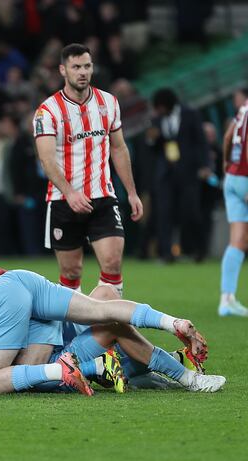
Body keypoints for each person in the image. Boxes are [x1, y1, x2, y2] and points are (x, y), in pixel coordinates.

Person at [0, 282, 223, 395]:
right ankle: (179, 371)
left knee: (107, 296)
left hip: (39, 335)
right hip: (41, 333)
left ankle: (164, 367)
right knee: (110, 321)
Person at [33, 43, 143, 297]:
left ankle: (109, 330)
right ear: (63, 70)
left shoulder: (109, 102)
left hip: (102, 196)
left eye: (87, 66)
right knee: (72, 273)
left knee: (113, 264)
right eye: (76, 67)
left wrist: (132, 192)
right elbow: (47, 160)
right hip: (63, 201)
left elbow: (119, 148)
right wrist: (71, 193)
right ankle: (76, 331)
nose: (82, 72)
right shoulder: (47, 111)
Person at [146, 88, 209, 263]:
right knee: (164, 213)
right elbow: (153, 147)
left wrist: (205, 165)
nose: (157, 111)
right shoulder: (156, 119)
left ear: (167, 105)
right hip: (165, 174)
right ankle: (166, 254)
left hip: (188, 172)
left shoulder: (191, 113)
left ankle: (198, 250)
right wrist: (152, 139)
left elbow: (201, 141)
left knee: (191, 212)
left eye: (159, 107)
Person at [218, 96, 248, 316]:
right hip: (245, 178)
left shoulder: (244, 108)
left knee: (238, 240)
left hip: (233, 177)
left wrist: (226, 163)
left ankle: (226, 299)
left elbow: (228, 136)